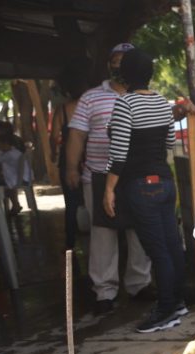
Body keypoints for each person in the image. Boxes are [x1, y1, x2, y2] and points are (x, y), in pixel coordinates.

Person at [66, 43, 153, 316]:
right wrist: (71, 168)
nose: (119, 66)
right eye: (115, 61)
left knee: (139, 231)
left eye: (125, 61)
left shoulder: (146, 95)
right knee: (103, 235)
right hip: (99, 175)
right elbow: (77, 135)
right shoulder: (91, 98)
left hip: (135, 176)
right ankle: (104, 291)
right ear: (108, 65)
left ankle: (140, 284)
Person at [104, 48, 187, 334]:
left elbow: (118, 154)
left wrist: (109, 189)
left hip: (140, 186)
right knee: (172, 246)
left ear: (124, 73)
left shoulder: (124, 104)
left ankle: (165, 311)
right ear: (150, 73)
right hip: (165, 182)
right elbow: (168, 143)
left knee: (157, 251)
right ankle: (178, 302)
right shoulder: (163, 102)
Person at [53, 63, 90, 249]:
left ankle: (70, 243)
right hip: (90, 159)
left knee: (71, 203)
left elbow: (54, 137)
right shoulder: (91, 107)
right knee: (94, 200)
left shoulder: (62, 110)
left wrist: (53, 154)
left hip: (68, 162)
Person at [0, 120, 32, 216]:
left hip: (15, 176)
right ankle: (14, 204)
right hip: (23, 174)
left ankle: (6, 208)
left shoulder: (4, 146)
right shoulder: (16, 141)